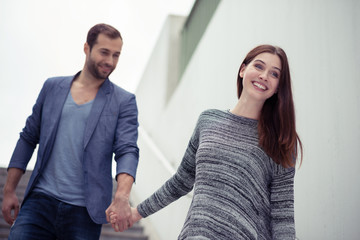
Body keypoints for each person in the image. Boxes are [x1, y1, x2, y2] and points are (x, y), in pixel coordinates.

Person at [110, 44, 303, 239]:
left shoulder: (281, 139)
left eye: (274, 74)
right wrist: (137, 212)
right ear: (243, 70)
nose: (264, 76)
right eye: (259, 66)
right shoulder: (208, 120)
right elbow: (181, 181)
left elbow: (282, 214)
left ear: (278, 87)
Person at [2, 23, 139, 239]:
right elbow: (28, 137)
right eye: (104, 52)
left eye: (116, 55)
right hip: (39, 202)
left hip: (84, 214)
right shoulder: (52, 88)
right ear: (87, 48)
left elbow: (127, 150)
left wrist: (122, 195)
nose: (110, 62)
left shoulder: (124, 102)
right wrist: (10, 190)